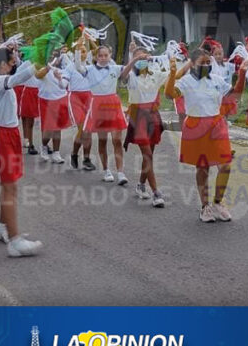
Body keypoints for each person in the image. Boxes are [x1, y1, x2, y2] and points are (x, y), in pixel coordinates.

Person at [0, 45, 44, 257]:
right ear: (1, 64)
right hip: (0, 135)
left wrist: (47, 57)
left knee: (10, 186)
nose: (14, 63)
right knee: (9, 186)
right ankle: (15, 242)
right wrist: (37, 61)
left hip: (8, 133)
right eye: (10, 61)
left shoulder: (0, 80)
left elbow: (23, 72)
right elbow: (19, 78)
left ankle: (3, 226)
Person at [164, 48, 234, 223]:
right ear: (192, 64)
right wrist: (172, 74)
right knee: (203, 168)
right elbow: (169, 94)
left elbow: (230, 96)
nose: (206, 65)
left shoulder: (218, 80)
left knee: (225, 166)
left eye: (208, 62)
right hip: (196, 125)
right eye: (201, 63)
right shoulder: (186, 81)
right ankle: (205, 207)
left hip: (217, 125)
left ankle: (218, 203)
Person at [122, 45, 170, 207]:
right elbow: (122, 77)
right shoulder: (131, 77)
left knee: (149, 155)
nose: (142, 60)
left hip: (153, 116)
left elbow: (172, 74)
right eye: (138, 58)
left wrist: (177, 60)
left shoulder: (154, 74)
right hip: (138, 116)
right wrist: (134, 58)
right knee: (147, 155)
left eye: (144, 57)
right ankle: (156, 192)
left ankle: (141, 185)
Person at [77, 45, 130, 184]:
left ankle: (120, 173)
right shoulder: (89, 69)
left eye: (106, 55)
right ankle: (106, 170)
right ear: (96, 57)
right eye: (100, 55)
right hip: (98, 105)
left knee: (117, 140)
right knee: (103, 140)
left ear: (110, 55)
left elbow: (129, 70)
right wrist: (77, 50)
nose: (103, 58)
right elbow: (78, 67)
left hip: (112, 104)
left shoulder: (115, 68)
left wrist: (131, 53)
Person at [36, 48, 72, 164]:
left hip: (61, 98)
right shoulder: (40, 65)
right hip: (46, 100)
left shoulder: (64, 66)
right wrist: (49, 67)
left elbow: (66, 80)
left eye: (55, 53)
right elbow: (38, 75)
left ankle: (56, 153)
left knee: (57, 129)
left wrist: (59, 76)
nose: (53, 55)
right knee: (48, 130)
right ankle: (44, 146)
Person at [65, 45, 97, 171]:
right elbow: (64, 81)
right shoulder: (71, 66)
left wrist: (88, 39)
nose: (84, 54)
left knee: (87, 130)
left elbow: (95, 50)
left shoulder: (89, 66)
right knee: (82, 129)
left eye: (85, 51)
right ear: (76, 53)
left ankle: (86, 159)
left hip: (89, 97)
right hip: (75, 98)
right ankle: (74, 153)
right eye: (81, 51)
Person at [15, 55, 42, 155]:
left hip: (39, 92)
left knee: (33, 119)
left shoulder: (44, 62)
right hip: (29, 91)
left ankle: (32, 141)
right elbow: (18, 74)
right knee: (28, 119)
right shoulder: (27, 63)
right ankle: (30, 144)